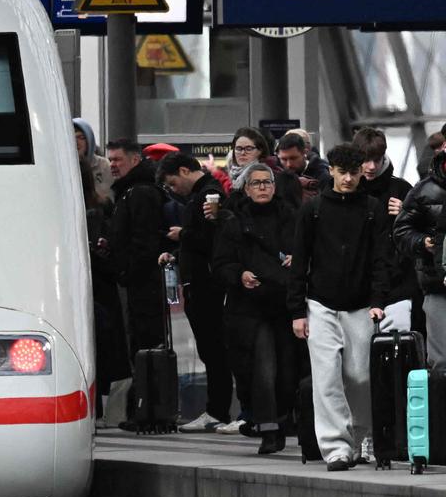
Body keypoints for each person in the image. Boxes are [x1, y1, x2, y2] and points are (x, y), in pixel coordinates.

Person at [288, 143, 392, 472]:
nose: (348, 178)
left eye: (354, 172)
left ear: (362, 171)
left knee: (360, 376)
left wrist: (378, 301)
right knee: (326, 377)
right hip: (319, 304)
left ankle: (362, 437)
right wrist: (297, 311)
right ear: (330, 170)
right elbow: (299, 260)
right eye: (342, 172)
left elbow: (380, 260)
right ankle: (336, 447)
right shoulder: (313, 209)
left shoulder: (372, 209)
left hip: (361, 305)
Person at [213, 163, 299, 455]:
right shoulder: (234, 222)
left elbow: (309, 251)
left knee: (288, 371)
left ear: (274, 187)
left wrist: (298, 259)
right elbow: (221, 263)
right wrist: (239, 275)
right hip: (251, 307)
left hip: (286, 304)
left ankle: (282, 419)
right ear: (246, 189)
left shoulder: (291, 217)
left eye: (267, 182)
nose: (262, 187)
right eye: (256, 183)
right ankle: (269, 429)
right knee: (263, 369)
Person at [156, 151, 233, 432]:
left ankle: (218, 410)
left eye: (174, 183)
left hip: (207, 286)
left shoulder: (208, 195)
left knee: (214, 349)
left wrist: (182, 235)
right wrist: (178, 253)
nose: (174, 190)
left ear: (185, 171)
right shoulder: (201, 195)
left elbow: (211, 239)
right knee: (210, 349)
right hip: (200, 282)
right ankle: (216, 409)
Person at [106, 138, 167, 412]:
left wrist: (127, 271)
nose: (112, 165)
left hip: (143, 285)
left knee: (145, 343)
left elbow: (144, 241)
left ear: (134, 159)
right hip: (136, 281)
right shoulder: (128, 191)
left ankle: (149, 408)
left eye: (117, 159)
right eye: (110, 160)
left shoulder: (139, 193)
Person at [353, 125, 419, 349]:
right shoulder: (344, 192)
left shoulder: (401, 189)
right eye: (365, 159)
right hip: (356, 287)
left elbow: (422, 233)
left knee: (397, 349)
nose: (371, 166)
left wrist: (406, 214)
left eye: (377, 159)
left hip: (397, 284)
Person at [80, 158, 130, 415]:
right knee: (104, 348)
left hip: (90, 286)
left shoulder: (92, 210)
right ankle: (101, 409)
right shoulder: (102, 205)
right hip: (103, 287)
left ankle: (92, 408)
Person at [394, 143, 446, 367]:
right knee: (441, 361)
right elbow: (401, 231)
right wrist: (423, 242)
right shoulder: (424, 190)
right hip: (437, 284)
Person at [74, 118, 112, 203]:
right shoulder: (61, 168)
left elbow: (110, 198)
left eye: (81, 137)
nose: (76, 142)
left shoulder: (103, 165)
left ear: (89, 140)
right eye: (72, 137)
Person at [276, 132, 323, 200]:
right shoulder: (274, 175)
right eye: (284, 159)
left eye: (293, 158)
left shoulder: (322, 175)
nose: (289, 164)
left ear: (305, 153)